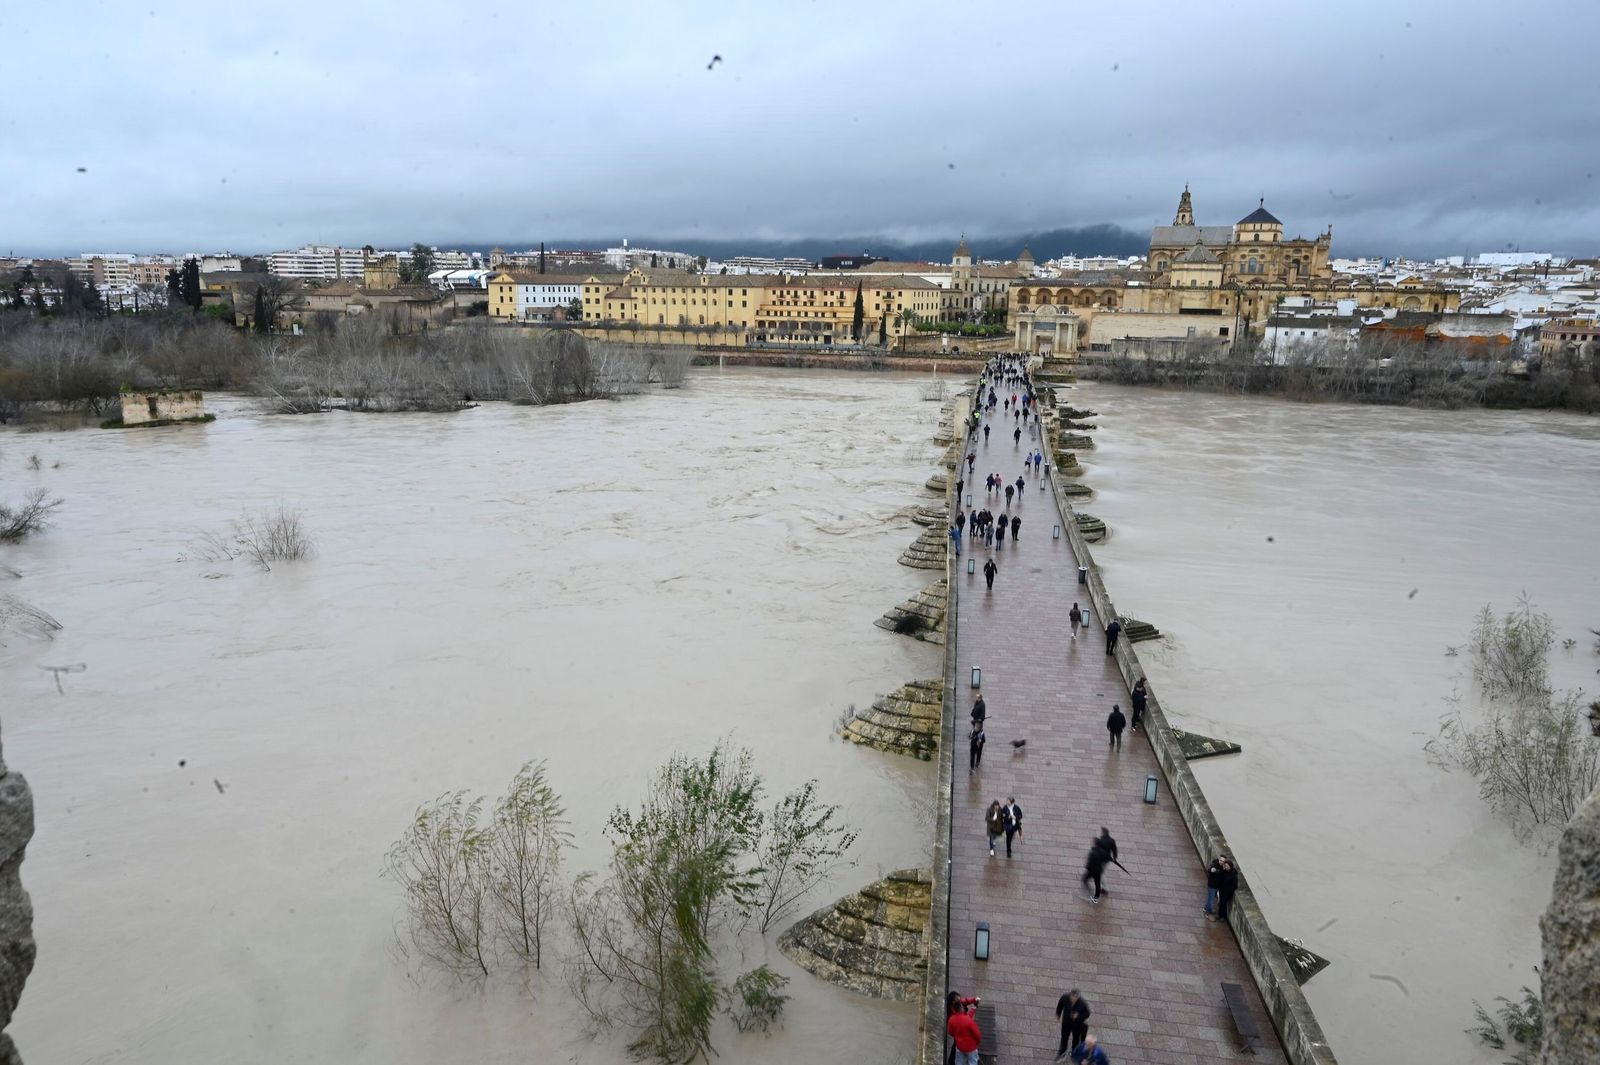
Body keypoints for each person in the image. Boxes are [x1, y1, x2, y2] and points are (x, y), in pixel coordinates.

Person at [947, 994, 982, 1065]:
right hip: (971, 1047)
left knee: (959, 1061)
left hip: (959, 1045)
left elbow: (950, 1032)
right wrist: (977, 1043)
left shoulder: (951, 1019)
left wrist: (957, 1036)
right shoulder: (968, 1021)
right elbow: (977, 1035)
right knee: (972, 1062)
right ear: (961, 1008)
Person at [1055, 988, 1091, 1056]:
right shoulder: (1065, 997)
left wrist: (1078, 1016)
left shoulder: (1082, 1004)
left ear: (1078, 997)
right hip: (1066, 1022)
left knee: (1076, 1039)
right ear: (1070, 995)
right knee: (1064, 1037)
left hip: (1077, 1025)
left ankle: (1074, 1051)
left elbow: (1087, 1014)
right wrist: (1058, 1013)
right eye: (1072, 997)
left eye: (1076, 998)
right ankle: (1063, 1050)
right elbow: (1060, 1005)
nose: (1073, 999)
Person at [1082, 836, 1110, 903]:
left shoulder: (1093, 852)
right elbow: (1107, 858)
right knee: (1097, 883)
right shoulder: (1103, 851)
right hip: (1099, 870)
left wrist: (1087, 867)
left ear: (1095, 844)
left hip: (1093, 869)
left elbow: (1090, 862)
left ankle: (1085, 880)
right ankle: (1096, 898)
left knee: (1088, 876)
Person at [1216, 854, 1239, 924]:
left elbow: (1235, 885)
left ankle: (1223, 916)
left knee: (1223, 903)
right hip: (1222, 890)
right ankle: (1220, 915)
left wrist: (1229, 891)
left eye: (1227, 866)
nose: (1225, 867)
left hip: (1227, 892)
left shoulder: (1233, 874)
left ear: (1230, 866)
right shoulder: (1225, 871)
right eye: (1225, 866)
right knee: (1221, 903)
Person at [1205, 855, 1228, 920]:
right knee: (1211, 900)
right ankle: (1208, 913)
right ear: (1218, 859)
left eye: (1223, 861)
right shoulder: (1215, 865)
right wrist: (1212, 870)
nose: (1221, 862)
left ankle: (1206, 908)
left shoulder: (1222, 867)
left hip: (1216, 886)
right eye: (1221, 860)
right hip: (1212, 886)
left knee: (1210, 898)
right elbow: (1210, 870)